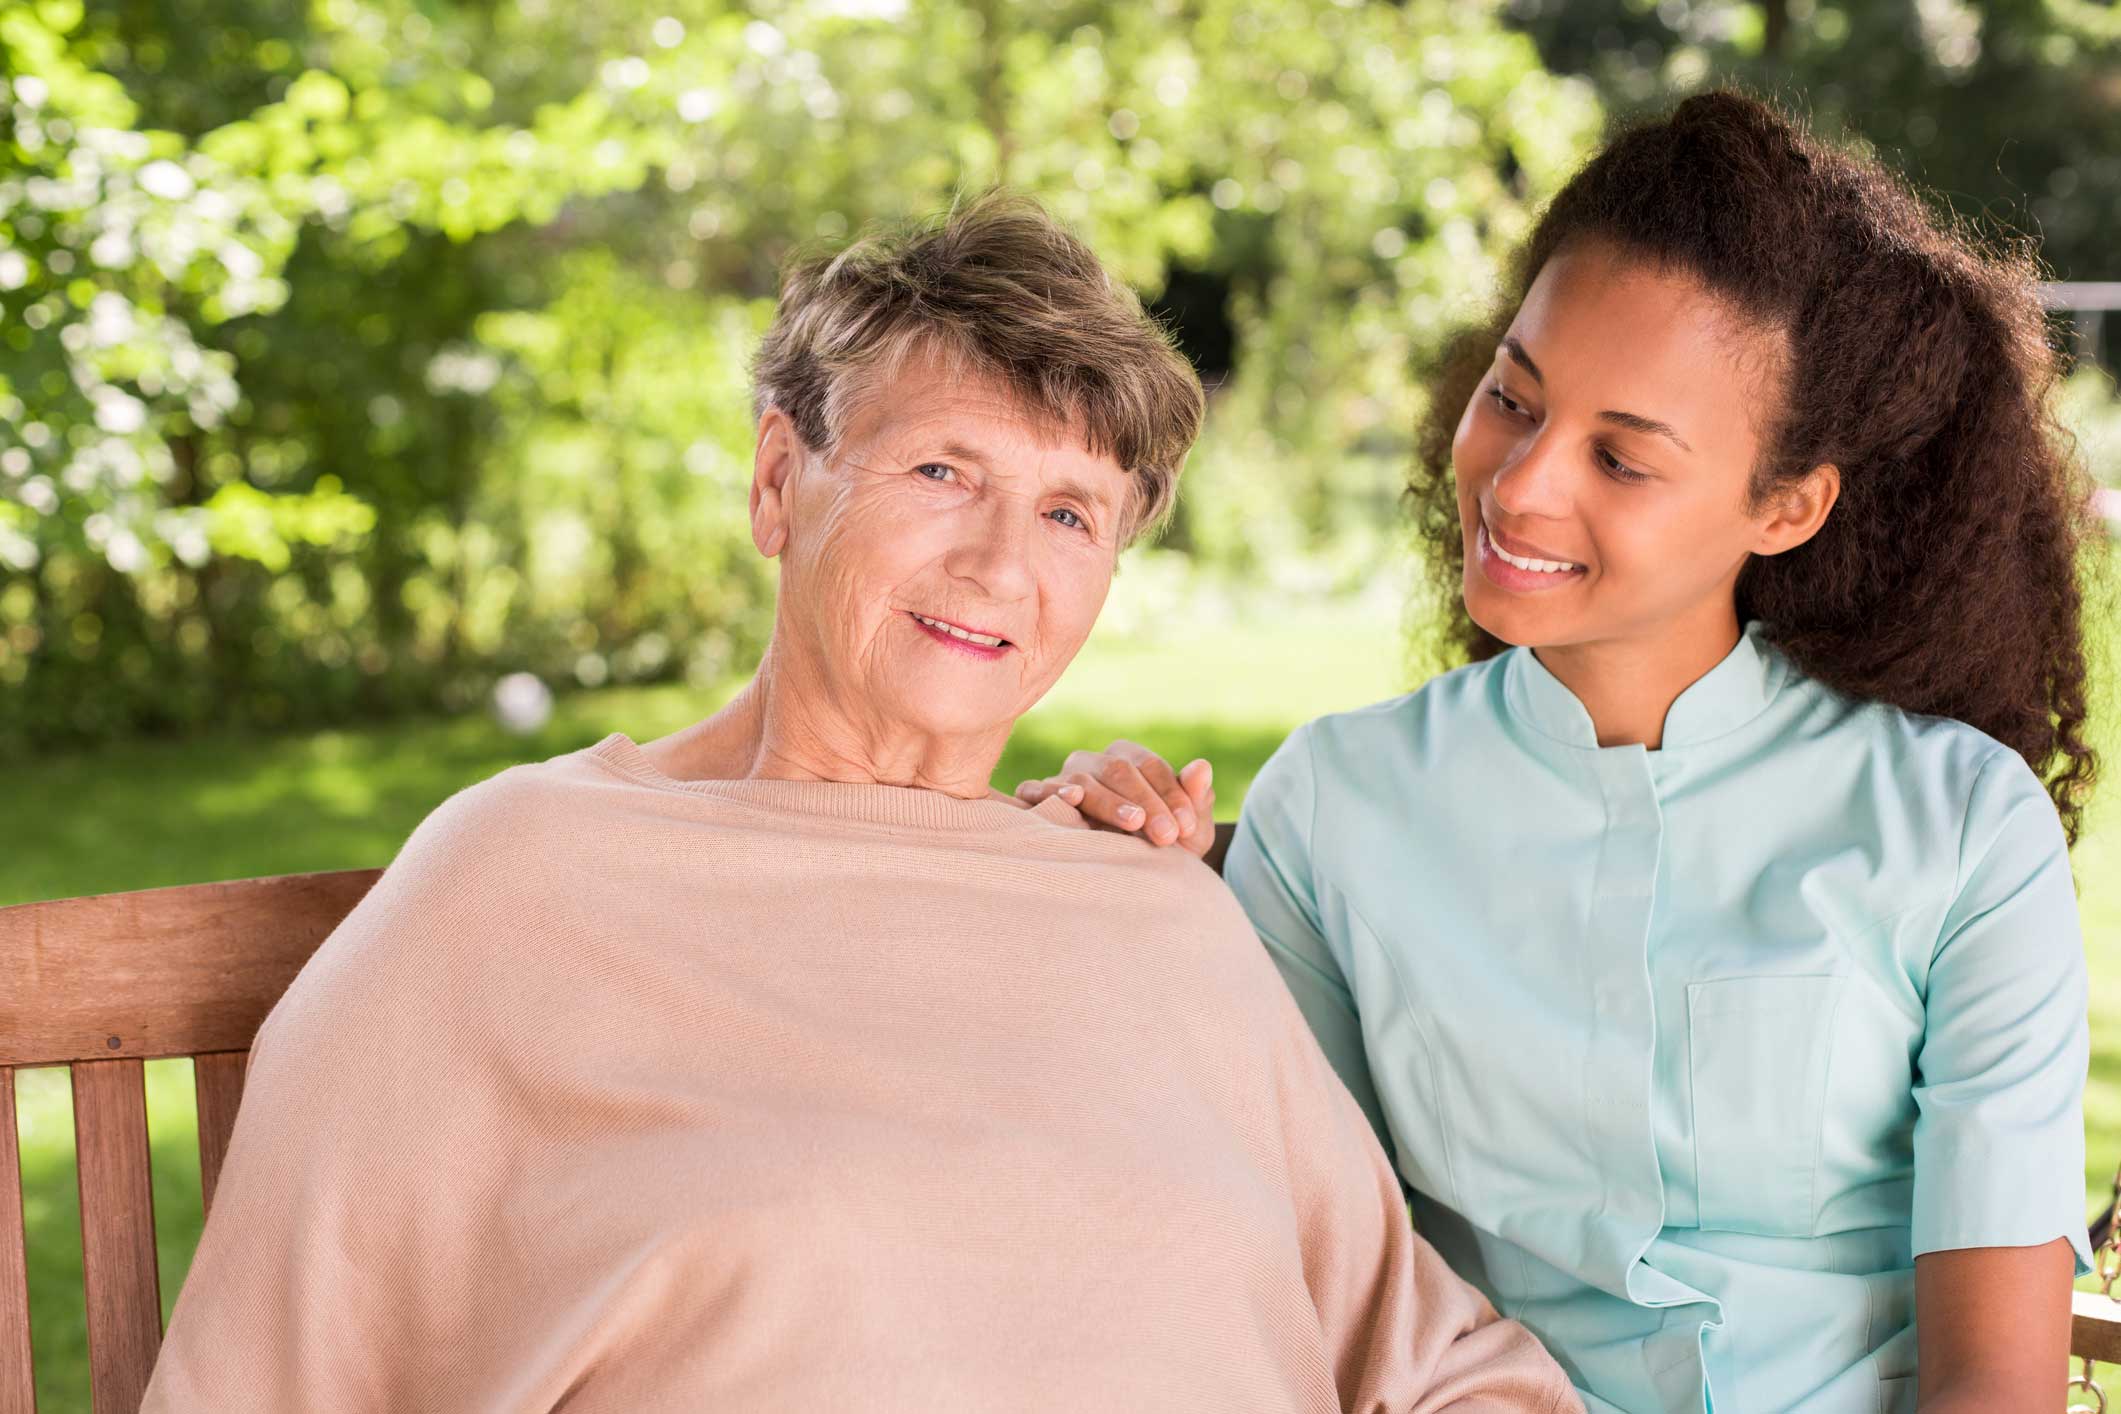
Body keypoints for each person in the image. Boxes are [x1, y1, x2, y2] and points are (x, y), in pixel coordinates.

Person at [141, 192, 1577, 1414]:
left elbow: (1436, 1358)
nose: (1002, 563)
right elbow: (262, 1375)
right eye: (944, 470)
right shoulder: (522, 879)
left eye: (1070, 512)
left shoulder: (1140, 900)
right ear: (780, 481)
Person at [1018, 92, 2097, 1413]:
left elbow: (1996, 1382)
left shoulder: (1958, 829)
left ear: (1784, 504)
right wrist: (1138, 879)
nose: (1519, 484)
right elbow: (1298, 1269)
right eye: (1510, 398)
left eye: (1622, 458)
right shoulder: (1335, 806)